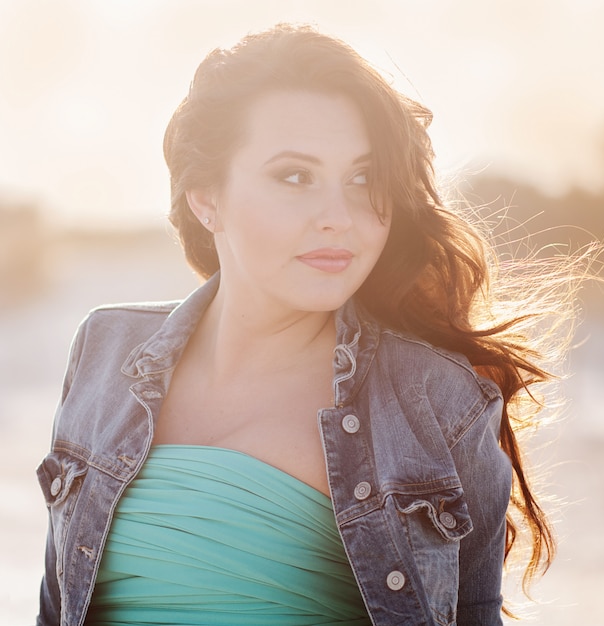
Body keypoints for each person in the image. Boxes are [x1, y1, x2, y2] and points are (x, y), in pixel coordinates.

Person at [36, 23, 568, 626]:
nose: (340, 217)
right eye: (295, 176)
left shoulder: (436, 398)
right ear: (205, 196)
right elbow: (58, 605)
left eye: (364, 178)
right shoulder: (105, 351)